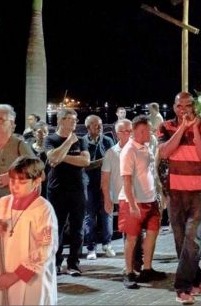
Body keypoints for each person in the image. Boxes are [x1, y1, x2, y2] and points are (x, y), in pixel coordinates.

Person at [157, 92, 201, 305]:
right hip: (175, 189)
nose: (184, 110)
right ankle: (196, 276)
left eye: (188, 106)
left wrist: (195, 130)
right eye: (180, 106)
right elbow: (164, 152)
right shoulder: (165, 126)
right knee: (181, 239)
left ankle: (182, 286)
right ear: (174, 107)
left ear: (194, 106)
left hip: (199, 189)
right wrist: (182, 128)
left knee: (193, 238)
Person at [0, 156, 58, 305]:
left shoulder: (43, 209)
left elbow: (46, 248)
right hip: (1, 272)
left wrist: (14, 276)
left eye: (22, 182)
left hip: (29, 279)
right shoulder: (2, 204)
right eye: (12, 180)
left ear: (36, 182)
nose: (15, 186)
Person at [0, 104, 33, 296]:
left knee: (10, 256)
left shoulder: (19, 145)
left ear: (12, 124)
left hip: (14, 211)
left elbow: (37, 174)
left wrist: (12, 178)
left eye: (0, 119)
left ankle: (10, 295)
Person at [120, 115, 166, 289]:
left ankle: (147, 269)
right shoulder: (129, 150)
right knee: (132, 238)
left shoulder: (146, 147)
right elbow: (126, 180)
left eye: (149, 129)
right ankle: (129, 272)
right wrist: (132, 204)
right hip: (135, 201)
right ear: (137, 131)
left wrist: (160, 194)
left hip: (151, 199)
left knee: (152, 233)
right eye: (146, 130)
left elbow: (151, 173)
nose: (150, 132)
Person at [45, 109, 90, 277]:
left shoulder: (80, 140)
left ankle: (73, 264)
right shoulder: (51, 139)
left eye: (75, 119)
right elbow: (51, 157)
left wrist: (61, 156)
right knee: (57, 228)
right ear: (60, 121)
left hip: (78, 189)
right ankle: (56, 262)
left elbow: (85, 160)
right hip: (57, 189)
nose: (74, 122)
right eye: (70, 119)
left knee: (78, 228)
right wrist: (68, 144)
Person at [102, 119, 144, 275]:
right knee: (131, 234)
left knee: (139, 233)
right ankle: (132, 267)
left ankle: (137, 265)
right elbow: (105, 179)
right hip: (123, 199)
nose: (127, 134)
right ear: (116, 133)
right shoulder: (111, 153)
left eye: (129, 130)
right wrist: (107, 198)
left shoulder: (141, 150)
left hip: (141, 197)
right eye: (123, 131)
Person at [82, 115, 115, 260]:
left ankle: (107, 244)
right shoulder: (82, 142)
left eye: (100, 124)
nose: (100, 127)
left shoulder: (108, 140)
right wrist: (103, 161)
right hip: (89, 184)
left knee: (107, 214)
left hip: (106, 184)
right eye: (96, 125)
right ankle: (91, 247)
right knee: (90, 217)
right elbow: (85, 164)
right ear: (88, 127)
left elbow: (113, 162)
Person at [30, 121, 50, 198]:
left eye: (45, 132)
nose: (43, 134)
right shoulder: (28, 148)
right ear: (34, 133)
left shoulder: (51, 148)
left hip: (48, 184)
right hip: (33, 184)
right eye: (39, 132)